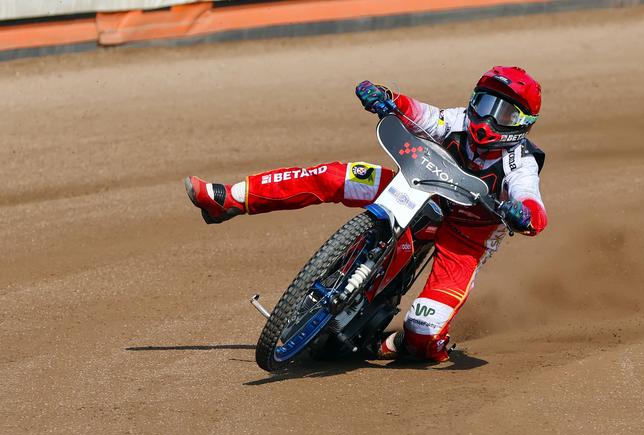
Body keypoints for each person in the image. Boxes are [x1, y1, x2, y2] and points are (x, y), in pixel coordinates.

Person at [184, 66, 547, 362]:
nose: (486, 118)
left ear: (523, 122)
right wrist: (385, 98)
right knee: (333, 176)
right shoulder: (456, 121)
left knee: (423, 333)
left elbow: (532, 203)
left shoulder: (520, 163)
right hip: (418, 187)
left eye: (504, 112)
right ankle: (228, 199)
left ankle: (392, 344)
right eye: (484, 104)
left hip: (467, 236)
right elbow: (421, 113)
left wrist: (523, 215)